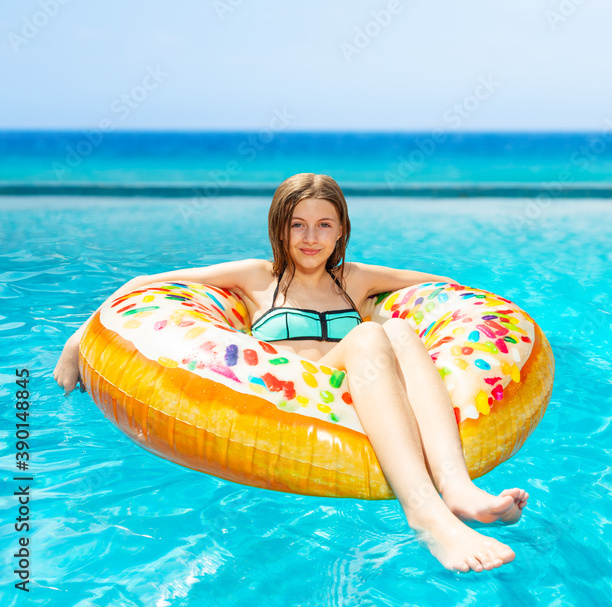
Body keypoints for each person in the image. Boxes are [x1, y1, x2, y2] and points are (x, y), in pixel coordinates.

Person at [53, 173, 529, 573]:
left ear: (341, 230)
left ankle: (458, 488)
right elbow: (143, 287)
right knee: (368, 336)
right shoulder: (259, 277)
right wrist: (80, 339)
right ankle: (426, 516)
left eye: (324, 225)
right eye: (297, 225)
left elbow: (442, 287)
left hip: (363, 388)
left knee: (402, 333)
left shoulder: (356, 279)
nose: (310, 238)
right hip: (298, 393)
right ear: (279, 230)